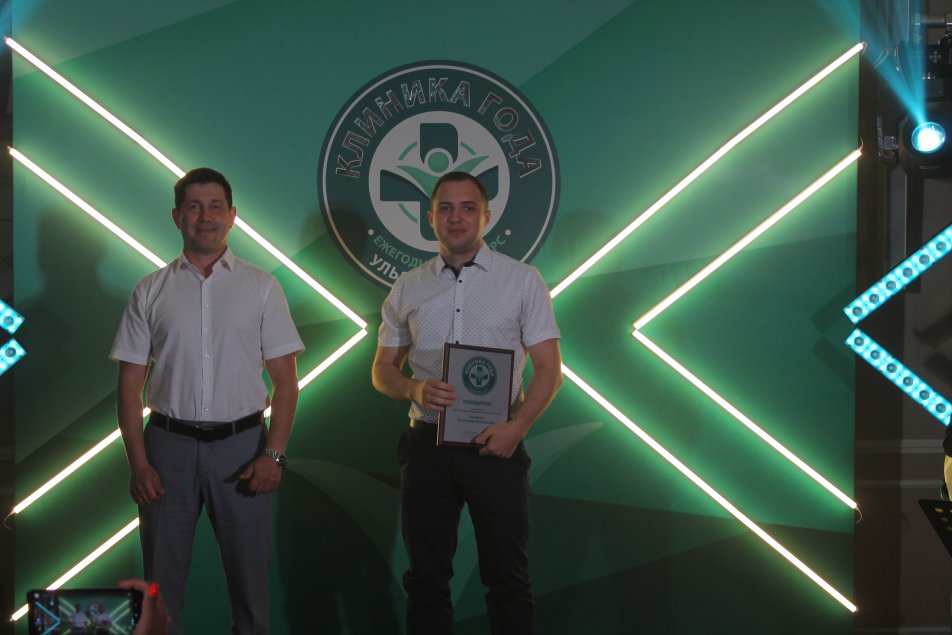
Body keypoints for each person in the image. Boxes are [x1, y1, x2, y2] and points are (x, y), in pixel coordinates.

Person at [110, 168, 303, 634]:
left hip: (244, 450)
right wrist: (139, 464)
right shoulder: (149, 289)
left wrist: (274, 455)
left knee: (251, 588)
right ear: (176, 216)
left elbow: (286, 381)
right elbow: (129, 386)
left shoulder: (262, 286)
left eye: (216, 206)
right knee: (159, 592)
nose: (205, 216)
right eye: (194, 207)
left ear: (232, 216)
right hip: (166, 450)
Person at [372, 171, 562, 634]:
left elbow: (549, 370)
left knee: (508, 579)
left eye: (468, 207)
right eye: (446, 208)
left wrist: (518, 428)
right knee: (426, 580)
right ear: (430, 217)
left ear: (486, 216)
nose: (456, 217)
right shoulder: (408, 286)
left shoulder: (522, 281)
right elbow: (382, 370)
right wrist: (414, 389)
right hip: (426, 447)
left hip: (497, 445)